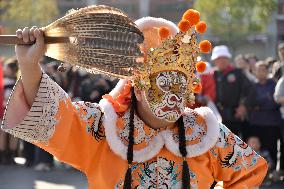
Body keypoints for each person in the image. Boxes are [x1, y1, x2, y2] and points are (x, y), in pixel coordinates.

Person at [1, 8, 267, 189]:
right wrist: (30, 66)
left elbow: (250, 171)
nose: (173, 97)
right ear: (137, 87)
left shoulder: (206, 134)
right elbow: (58, 117)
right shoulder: (104, 129)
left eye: (180, 86)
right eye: (163, 84)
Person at [211, 45, 252, 136]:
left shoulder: (238, 73)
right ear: (214, 60)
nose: (222, 61)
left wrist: (243, 106)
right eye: (219, 58)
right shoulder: (212, 74)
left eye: (224, 58)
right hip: (215, 115)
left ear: (228, 59)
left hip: (234, 115)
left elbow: (250, 91)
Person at [247, 61, 282, 169]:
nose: (261, 72)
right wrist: (263, 102)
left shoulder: (275, 84)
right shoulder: (251, 86)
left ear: (268, 71)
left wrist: (260, 105)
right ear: (254, 71)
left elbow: (275, 102)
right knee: (256, 149)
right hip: (256, 122)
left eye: (264, 70)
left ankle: (272, 171)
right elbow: (249, 102)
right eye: (258, 70)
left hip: (272, 122)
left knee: (272, 148)